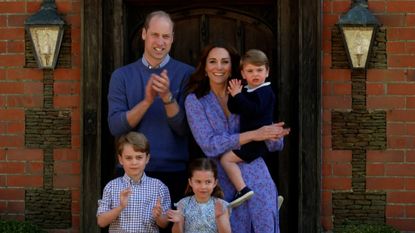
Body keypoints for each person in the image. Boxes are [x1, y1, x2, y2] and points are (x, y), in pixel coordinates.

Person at [184, 43, 289, 233]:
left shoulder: (248, 92)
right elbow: (209, 145)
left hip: (257, 176)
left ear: (232, 67)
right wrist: (254, 135)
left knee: (265, 226)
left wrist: (274, 135)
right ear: (205, 68)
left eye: (225, 62)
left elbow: (273, 142)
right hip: (221, 181)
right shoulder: (195, 101)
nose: (219, 67)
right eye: (213, 62)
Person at [107, 10, 194, 211]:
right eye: (155, 35)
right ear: (144, 34)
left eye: (166, 36)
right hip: (129, 173)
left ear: (172, 39)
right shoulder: (121, 76)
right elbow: (116, 126)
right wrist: (147, 101)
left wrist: (167, 98)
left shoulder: (187, 74)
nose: (160, 42)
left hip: (173, 173)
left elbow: (184, 129)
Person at [220, 49, 287, 208]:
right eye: (250, 71)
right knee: (261, 169)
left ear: (267, 71)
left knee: (226, 159)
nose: (255, 74)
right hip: (252, 138)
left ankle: (242, 190)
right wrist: (233, 95)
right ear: (243, 74)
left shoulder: (265, 92)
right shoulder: (249, 90)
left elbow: (253, 110)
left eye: (259, 70)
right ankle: (271, 198)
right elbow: (235, 109)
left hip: (257, 140)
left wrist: (238, 95)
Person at [97, 132, 171, 232]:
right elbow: (101, 222)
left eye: (139, 157)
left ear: (147, 158)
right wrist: (120, 207)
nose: (134, 162)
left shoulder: (159, 187)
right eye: (128, 158)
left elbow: (165, 224)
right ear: (120, 159)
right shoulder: (111, 186)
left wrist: (158, 216)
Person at [167, 158, 231, 233]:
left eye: (208, 182)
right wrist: (178, 222)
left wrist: (219, 218)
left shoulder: (221, 205)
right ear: (190, 182)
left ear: (215, 183)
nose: (203, 186)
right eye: (198, 181)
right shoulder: (183, 204)